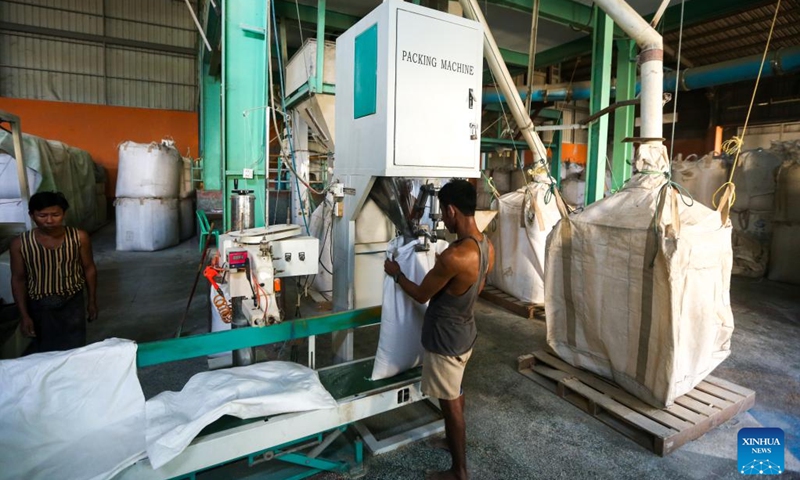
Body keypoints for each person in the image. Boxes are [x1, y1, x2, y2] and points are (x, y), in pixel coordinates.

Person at [384, 179, 494, 480]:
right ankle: (450, 441)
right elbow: (477, 286)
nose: (443, 219)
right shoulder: (485, 246)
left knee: (450, 402)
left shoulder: (454, 256)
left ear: (451, 210)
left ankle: (459, 472)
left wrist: (396, 274)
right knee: (455, 392)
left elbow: (421, 294)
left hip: (446, 341)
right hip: (465, 332)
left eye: (444, 213)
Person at [10, 191, 98, 353]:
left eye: (55, 215)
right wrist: (24, 315)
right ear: (31, 215)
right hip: (39, 305)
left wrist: (92, 301)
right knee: (45, 351)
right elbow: (18, 279)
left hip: (72, 301)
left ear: (64, 214)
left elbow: (89, 269)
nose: (49, 220)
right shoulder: (20, 244)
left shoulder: (79, 237)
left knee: (75, 349)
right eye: (42, 215)